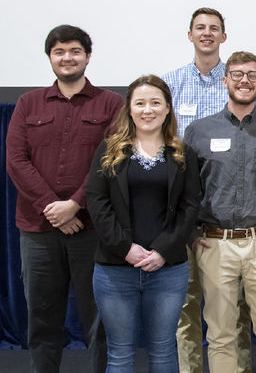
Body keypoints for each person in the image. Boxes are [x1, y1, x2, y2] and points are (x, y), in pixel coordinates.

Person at [6, 24, 121, 372]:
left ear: (87, 56)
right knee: (42, 320)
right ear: (50, 58)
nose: (67, 58)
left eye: (74, 51)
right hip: (37, 230)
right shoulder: (28, 103)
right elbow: (16, 160)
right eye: (59, 52)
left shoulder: (111, 103)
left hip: (91, 230)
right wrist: (52, 208)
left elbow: (112, 158)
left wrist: (75, 204)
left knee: (99, 320)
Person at [86, 75, 202, 371]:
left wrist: (163, 250)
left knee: (164, 350)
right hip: (115, 269)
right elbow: (97, 204)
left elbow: (190, 207)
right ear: (130, 109)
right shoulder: (109, 150)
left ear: (167, 109)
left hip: (168, 269)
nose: (147, 110)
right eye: (140, 103)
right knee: (120, 353)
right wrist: (126, 248)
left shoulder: (182, 153)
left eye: (155, 103)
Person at [184, 51, 256, 373]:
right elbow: (188, 191)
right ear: (225, 79)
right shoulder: (198, 131)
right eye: (238, 74)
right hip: (214, 243)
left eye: (252, 75)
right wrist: (191, 233)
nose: (245, 80)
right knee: (220, 334)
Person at [161, 7, 252, 373]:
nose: (207, 33)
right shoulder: (170, 83)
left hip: (223, 214)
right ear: (189, 35)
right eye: (200, 28)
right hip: (181, 212)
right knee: (186, 307)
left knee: (234, 309)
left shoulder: (237, 82)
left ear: (224, 37)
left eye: (214, 28)